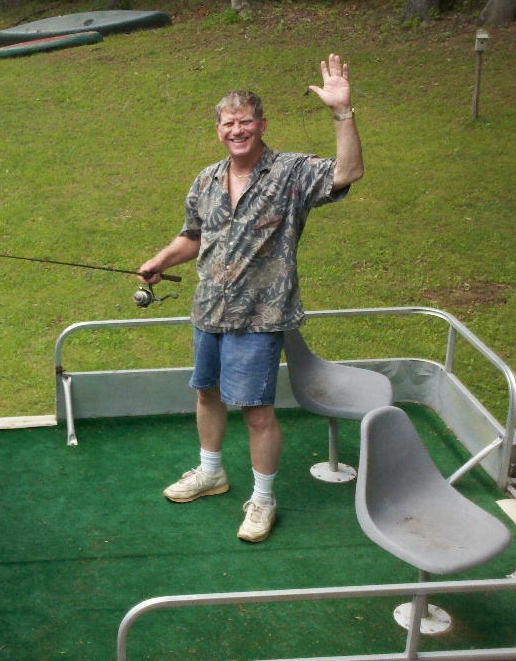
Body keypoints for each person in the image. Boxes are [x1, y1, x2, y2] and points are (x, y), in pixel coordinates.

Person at [136, 54, 363, 543]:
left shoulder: (291, 173)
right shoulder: (206, 179)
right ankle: (211, 471)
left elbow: (347, 172)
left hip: (261, 317)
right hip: (209, 311)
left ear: (262, 125)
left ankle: (262, 498)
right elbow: (194, 236)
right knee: (206, 392)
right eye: (228, 123)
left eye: (245, 122)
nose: (237, 130)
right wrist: (161, 260)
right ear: (218, 130)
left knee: (257, 412)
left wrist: (342, 112)